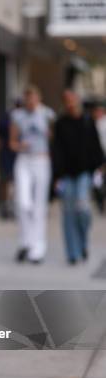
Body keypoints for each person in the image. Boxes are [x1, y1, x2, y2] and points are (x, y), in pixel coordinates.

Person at [53, 90, 105, 264]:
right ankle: (73, 253)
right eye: (67, 101)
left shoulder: (88, 121)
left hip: (84, 173)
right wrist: (57, 176)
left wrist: (99, 167)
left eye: (72, 100)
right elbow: (56, 150)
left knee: (82, 209)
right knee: (68, 213)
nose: (70, 104)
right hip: (66, 174)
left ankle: (83, 241)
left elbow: (96, 147)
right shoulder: (60, 123)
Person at [10, 85, 55, 264]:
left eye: (33, 98)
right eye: (27, 99)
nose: (30, 102)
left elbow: (54, 139)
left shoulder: (47, 114)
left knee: (39, 205)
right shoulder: (17, 115)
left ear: (38, 99)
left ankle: (38, 247)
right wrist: (21, 146)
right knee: (23, 203)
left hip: (41, 160)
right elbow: (12, 142)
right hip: (24, 160)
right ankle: (26, 241)